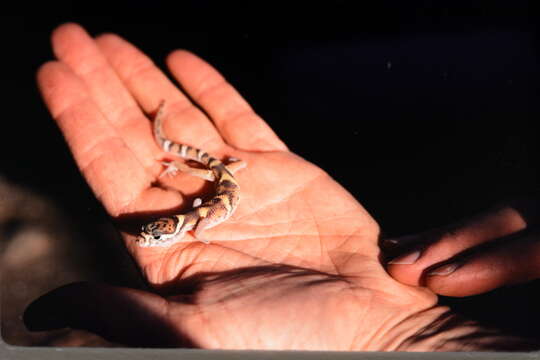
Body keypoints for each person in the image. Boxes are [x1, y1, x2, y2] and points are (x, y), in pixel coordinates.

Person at [24, 23, 539, 351]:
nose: (152, 236)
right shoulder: (193, 219)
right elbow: (202, 209)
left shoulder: (195, 223)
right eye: (155, 235)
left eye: (156, 235)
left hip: (222, 179)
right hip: (220, 178)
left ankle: (167, 135)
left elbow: (204, 211)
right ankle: (166, 135)